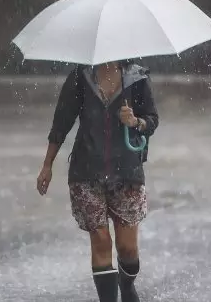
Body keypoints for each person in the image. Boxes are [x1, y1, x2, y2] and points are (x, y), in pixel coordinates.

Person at [36, 60, 158, 302]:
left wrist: (136, 122)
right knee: (101, 240)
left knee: (128, 250)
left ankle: (127, 284)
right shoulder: (81, 77)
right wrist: (47, 164)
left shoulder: (137, 78)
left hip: (126, 172)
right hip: (86, 171)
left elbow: (152, 119)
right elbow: (62, 121)